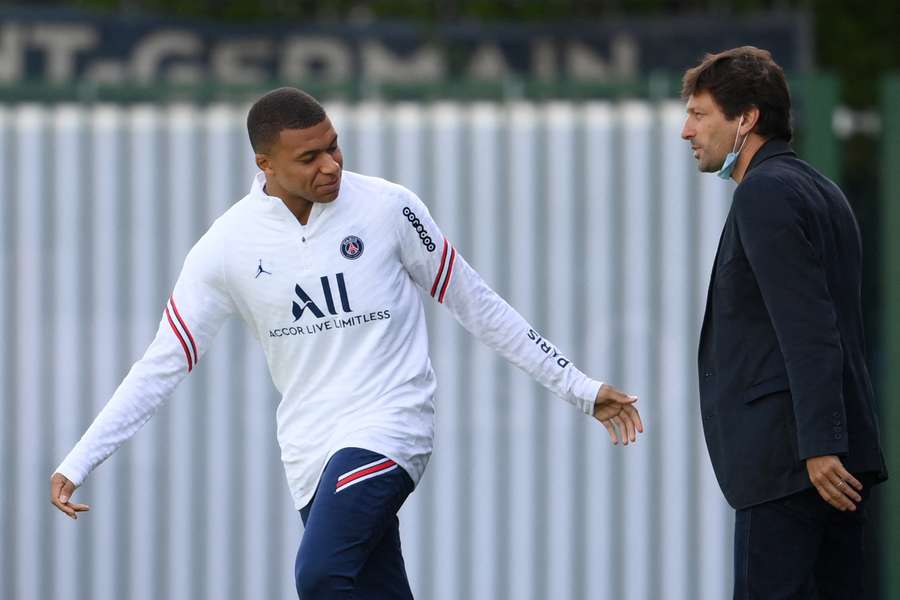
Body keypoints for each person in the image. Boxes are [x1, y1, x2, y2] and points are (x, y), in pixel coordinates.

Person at [50, 87, 644, 599]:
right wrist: (80, 459)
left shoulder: (390, 208)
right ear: (266, 165)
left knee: (321, 575)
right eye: (309, 157)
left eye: (334, 145)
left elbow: (476, 302)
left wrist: (578, 387)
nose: (331, 165)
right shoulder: (225, 246)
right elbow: (164, 362)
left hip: (391, 428)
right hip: (308, 452)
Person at [681, 47, 888, 599]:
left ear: (745, 118)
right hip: (833, 464)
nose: (687, 131)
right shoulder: (825, 191)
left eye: (700, 114)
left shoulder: (764, 194)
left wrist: (819, 447)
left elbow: (810, 327)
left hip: (793, 467)